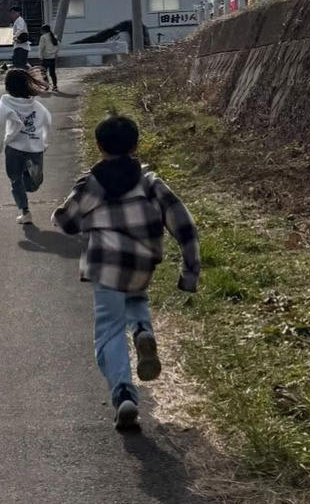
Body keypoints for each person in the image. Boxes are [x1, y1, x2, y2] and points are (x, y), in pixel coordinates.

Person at [51, 112, 201, 432]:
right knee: (136, 296)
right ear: (135, 145)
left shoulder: (92, 184)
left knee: (109, 330)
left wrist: (65, 216)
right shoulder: (150, 182)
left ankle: (123, 393)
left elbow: (66, 221)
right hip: (142, 264)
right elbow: (185, 226)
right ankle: (143, 331)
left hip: (106, 267)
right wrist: (189, 273)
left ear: (98, 146)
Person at [0, 66, 53, 225]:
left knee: (15, 181)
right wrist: (44, 141)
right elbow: (47, 121)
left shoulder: (5, 103)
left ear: (7, 87)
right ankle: (30, 174)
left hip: (14, 149)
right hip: (35, 148)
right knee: (33, 185)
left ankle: (25, 212)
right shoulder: (36, 106)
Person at [37, 23, 61, 92]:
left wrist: (40, 56)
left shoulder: (43, 37)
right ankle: (55, 86)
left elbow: (41, 48)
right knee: (52, 73)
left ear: (43, 30)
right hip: (52, 58)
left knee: (43, 72)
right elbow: (58, 46)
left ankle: (46, 85)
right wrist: (55, 53)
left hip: (45, 58)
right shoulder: (54, 37)